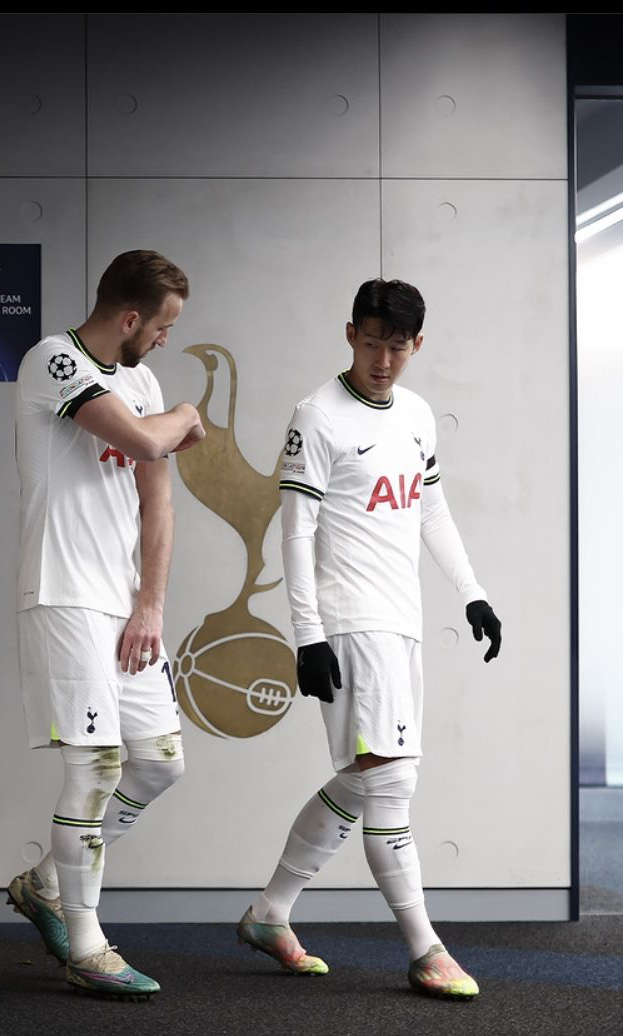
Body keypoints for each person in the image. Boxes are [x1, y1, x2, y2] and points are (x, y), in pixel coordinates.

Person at [237, 278, 501, 1000]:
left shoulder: (415, 415)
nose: (384, 360)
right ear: (349, 333)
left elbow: (432, 511)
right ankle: (425, 949)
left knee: (364, 778)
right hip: (349, 621)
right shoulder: (316, 417)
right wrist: (308, 635)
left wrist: (472, 592)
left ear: (418, 345)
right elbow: (296, 530)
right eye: (373, 342)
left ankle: (270, 913)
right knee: (389, 780)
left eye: (399, 347)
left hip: (402, 621)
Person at [8, 250, 205, 1000]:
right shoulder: (51, 360)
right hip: (62, 595)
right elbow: (151, 441)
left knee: (158, 763)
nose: (163, 340)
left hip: (124, 603)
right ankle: (87, 945)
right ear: (129, 317)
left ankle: (47, 884)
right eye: (160, 326)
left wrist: (150, 604)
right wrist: (187, 416)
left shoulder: (143, 379)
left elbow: (159, 500)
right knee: (93, 766)